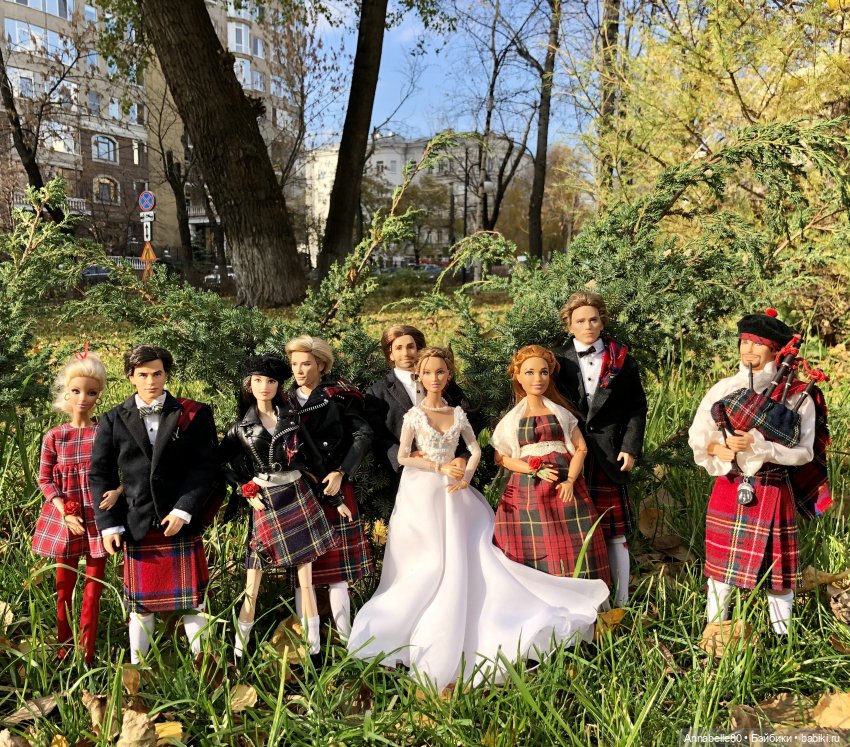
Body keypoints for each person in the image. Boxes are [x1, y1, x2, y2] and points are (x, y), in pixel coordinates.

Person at [348, 347, 609, 691]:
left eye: (440, 372)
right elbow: (403, 456)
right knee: (424, 558)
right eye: (428, 373)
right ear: (420, 377)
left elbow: (475, 450)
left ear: (448, 376)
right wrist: (438, 466)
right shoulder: (414, 415)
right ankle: (404, 621)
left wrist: (466, 475)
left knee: (469, 550)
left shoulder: (456, 413)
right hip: (420, 491)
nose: (434, 379)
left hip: (456, 489)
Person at [688, 309, 827, 635]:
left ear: (776, 351)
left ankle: (782, 637)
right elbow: (698, 434)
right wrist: (716, 449)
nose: (748, 350)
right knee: (721, 571)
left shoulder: (798, 396)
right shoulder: (724, 388)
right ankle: (715, 631)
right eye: (744, 342)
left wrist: (761, 446)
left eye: (758, 343)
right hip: (730, 483)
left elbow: (805, 453)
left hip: (773, 489)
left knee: (778, 575)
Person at [89, 345, 219, 664]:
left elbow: (206, 466)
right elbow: (101, 474)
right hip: (137, 522)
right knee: (141, 605)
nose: (151, 381)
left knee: (194, 602)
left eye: (157, 373)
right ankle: (139, 668)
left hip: (180, 521)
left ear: (166, 374)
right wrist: (109, 525)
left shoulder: (193, 413)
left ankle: (205, 666)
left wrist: (184, 508)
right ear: (130, 377)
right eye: (143, 374)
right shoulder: (113, 419)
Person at [219, 354, 341, 659]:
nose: (264, 386)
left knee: (306, 580)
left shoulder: (292, 419)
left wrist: (335, 498)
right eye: (258, 380)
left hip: (297, 494)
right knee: (253, 579)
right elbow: (216, 464)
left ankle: (314, 651)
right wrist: (244, 488)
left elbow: (314, 458)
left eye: (271, 381)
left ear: (278, 385)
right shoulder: (240, 428)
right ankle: (239, 652)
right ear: (248, 385)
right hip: (266, 501)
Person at [553, 291, 647, 607]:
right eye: (580, 321)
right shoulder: (557, 361)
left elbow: (636, 407)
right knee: (576, 531)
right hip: (571, 455)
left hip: (609, 454)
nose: (588, 326)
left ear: (602, 321)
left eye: (593, 319)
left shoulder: (622, 359)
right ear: (569, 325)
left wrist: (630, 447)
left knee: (614, 533)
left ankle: (622, 601)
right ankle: (585, 602)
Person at [491, 346, 611, 585]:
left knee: (573, 536)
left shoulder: (561, 413)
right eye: (530, 372)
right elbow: (501, 457)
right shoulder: (512, 420)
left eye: (543, 372)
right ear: (518, 377)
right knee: (533, 538)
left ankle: (578, 588)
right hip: (528, 490)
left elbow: (581, 448)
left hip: (564, 486)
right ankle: (535, 589)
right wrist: (532, 469)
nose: (538, 378)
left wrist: (570, 480)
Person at [32, 348, 122, 664]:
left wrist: (118, 491)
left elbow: (124, 468)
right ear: (66, 392)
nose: (83, 398)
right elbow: (44, 478)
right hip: (67, 518)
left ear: (99, 394)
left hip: (98, 519)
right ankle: (63, 648)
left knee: (93, 590)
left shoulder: (104, 433)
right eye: (76, 391)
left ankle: (87, 653)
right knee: (63, 589)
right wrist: (63, 510)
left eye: (91, 392)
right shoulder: (55, 436)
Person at [285, 335, 373, 640]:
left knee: (337, 574)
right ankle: (306, 641)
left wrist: (341, 472)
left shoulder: (339, 396)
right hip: (298, 489)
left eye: (306, 364)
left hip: (333, 484)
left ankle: (346, 639)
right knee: (303, 573)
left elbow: (362, 434)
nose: (299, 370)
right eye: (294, 364)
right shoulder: (283, 401)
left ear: (321, 365)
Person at [365, 325, 474, 496]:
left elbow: (467, 420)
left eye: (410, 346)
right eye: (398, 348)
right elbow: (377, 436)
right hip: (408, 478)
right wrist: (407, 456)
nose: (405, 353)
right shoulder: (377, 393)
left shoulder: (444, 383)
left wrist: (463, 456)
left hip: (450, 474)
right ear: (390, 354)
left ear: (419, 349)